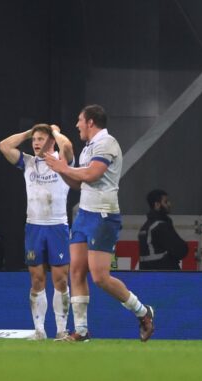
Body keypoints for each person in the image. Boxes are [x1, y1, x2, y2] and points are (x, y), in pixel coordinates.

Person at [45, 104, 154, 342]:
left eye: (79, 120)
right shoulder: (88, 149)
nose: (77, 125)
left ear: (91, 122)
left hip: (103, 215)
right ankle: (81, 331)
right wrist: (60, 170)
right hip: (84, 214)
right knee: (76, 271)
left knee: (100, 277)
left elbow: (92, 175)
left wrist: (63, 166)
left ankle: (143, 312)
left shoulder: (107, 143)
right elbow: (79, 183)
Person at [0, 123, 74, 340]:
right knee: (37, 279)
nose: (36, 143)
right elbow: (4, 146)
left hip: (57, 226)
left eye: (41, 139)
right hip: (34, 226)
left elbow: (67, 145)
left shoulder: (63, 161)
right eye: (34, 140)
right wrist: (28, 133)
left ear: (51, 141)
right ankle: (39, 330)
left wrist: (55, 132)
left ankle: (61, 329)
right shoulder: (28, 162)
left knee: (60, 279)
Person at [138, 189, 188, 270]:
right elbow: (180, 250)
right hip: (165, 274)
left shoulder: (145, 227)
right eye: (166, 202)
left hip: (149, 275)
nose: (169, 204)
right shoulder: (160, 226)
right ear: (157, 204)